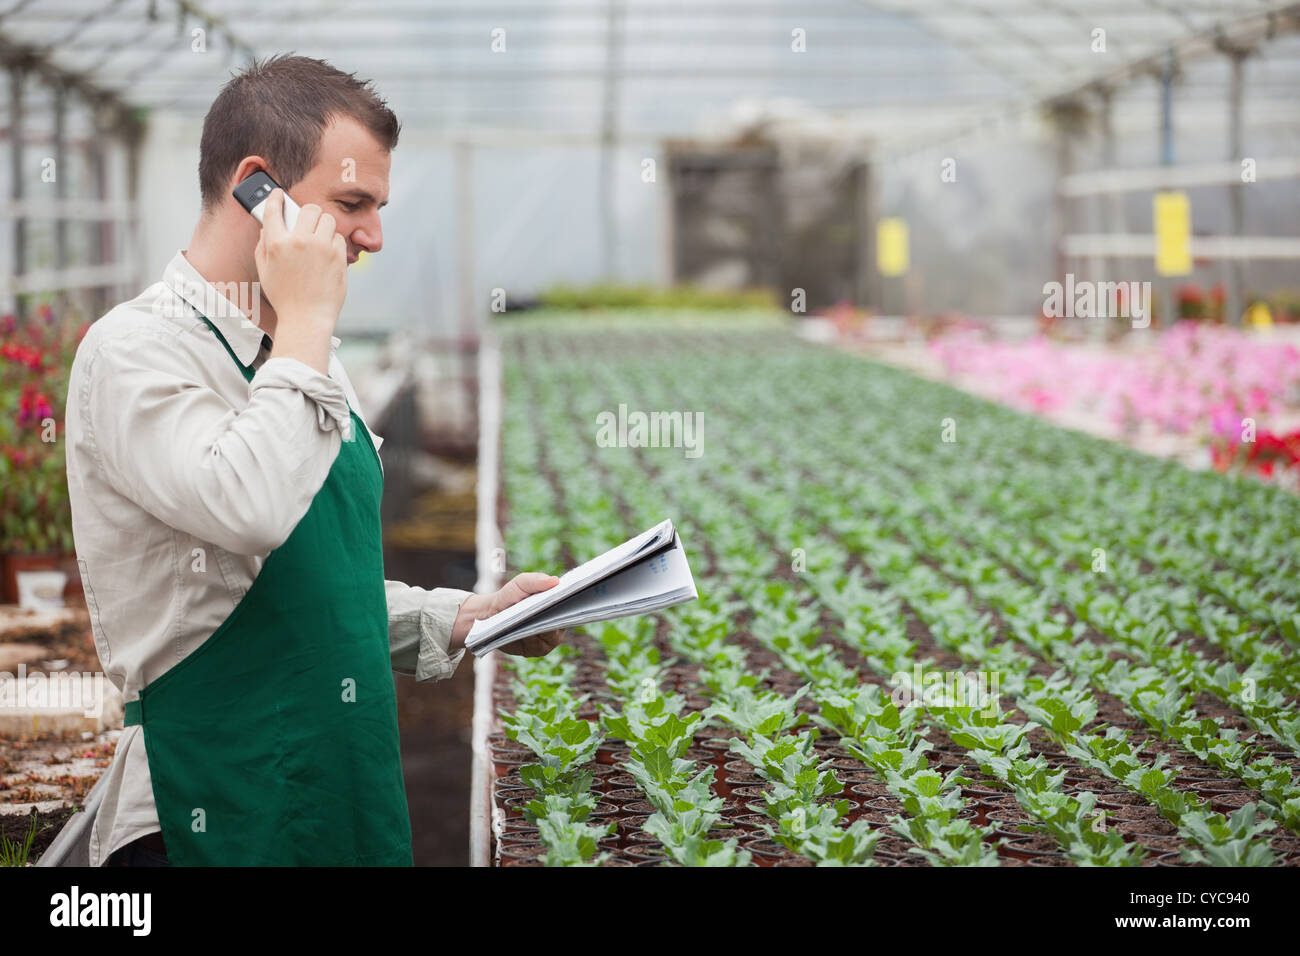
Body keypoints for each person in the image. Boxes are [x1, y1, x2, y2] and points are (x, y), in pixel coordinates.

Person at [59, 54, 563, 867]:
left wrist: (468, 617)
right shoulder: (137, 352)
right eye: (352, 204)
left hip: (342, 786)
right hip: (209, 808)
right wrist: (303, 325)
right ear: (259, 189)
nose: (373, 236)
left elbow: (310, 587)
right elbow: (246, 507)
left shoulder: (308, 353)